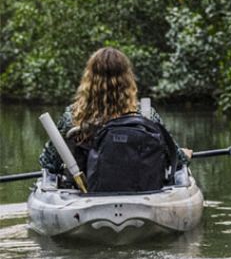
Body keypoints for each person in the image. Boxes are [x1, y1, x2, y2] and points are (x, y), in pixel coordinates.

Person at [40, 46, 189, 187]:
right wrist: (185, 154)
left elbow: (48, 163)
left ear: (89, 78)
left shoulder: (72, 116)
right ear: (127, 78)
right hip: (142, 190)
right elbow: (176, 160)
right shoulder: (146, 115)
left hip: (87, 192)